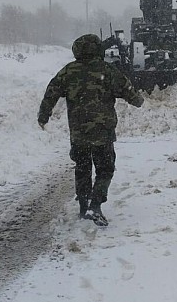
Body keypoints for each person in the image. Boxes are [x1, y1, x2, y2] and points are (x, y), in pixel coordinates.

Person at [37, 34, 144, 226]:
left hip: (79, 132)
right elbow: (128, 91)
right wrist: (138, 100)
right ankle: (96, 204)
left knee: (82, 168)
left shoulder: (68, 71)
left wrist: (43, 116)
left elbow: (50, 93)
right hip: (103, 131)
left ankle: (84, 205)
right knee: (105, 169)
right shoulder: (108, 71)